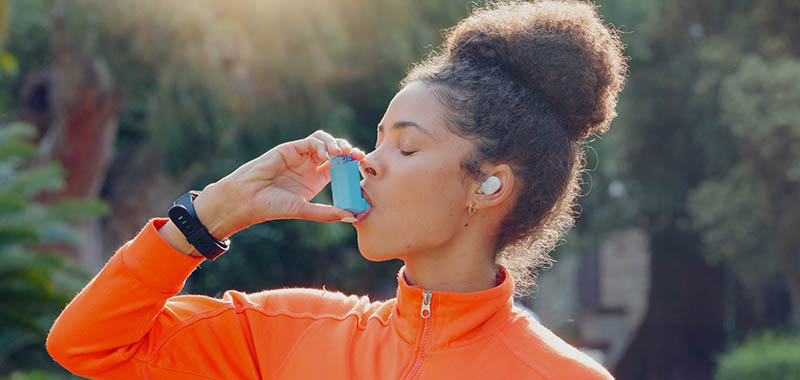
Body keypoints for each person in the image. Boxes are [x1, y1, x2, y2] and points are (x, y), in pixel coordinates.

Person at [47, 1, 626, 378]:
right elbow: (88, 346)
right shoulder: (287, 331)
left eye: (406, 147)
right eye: (376, 142)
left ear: (490, 184)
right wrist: (214, 212)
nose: (368, 164)